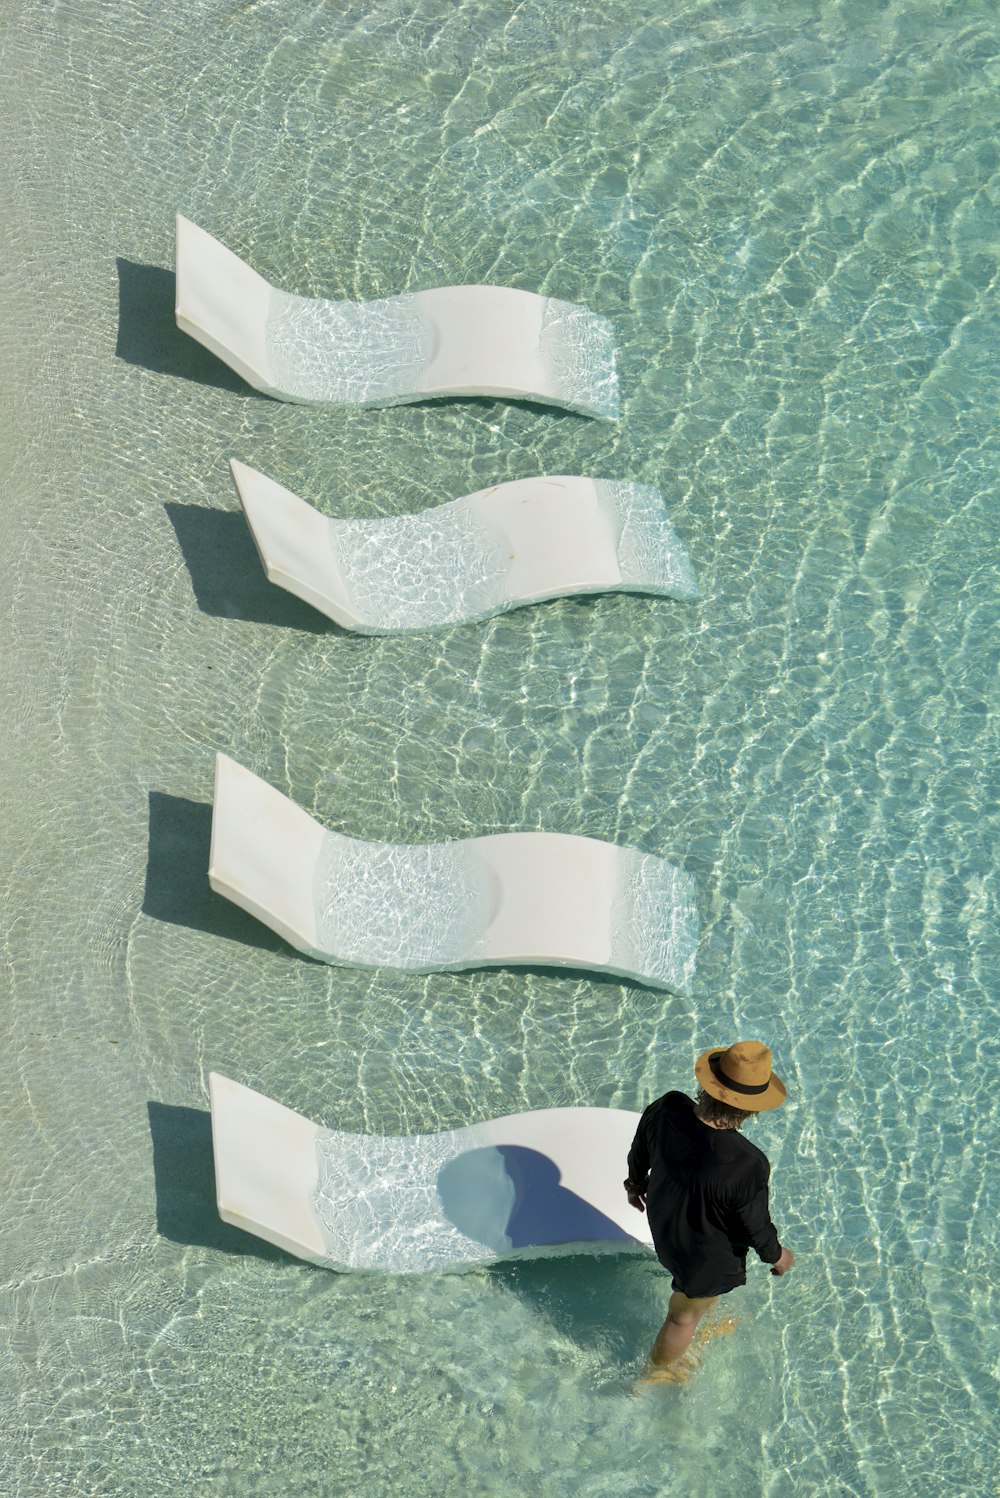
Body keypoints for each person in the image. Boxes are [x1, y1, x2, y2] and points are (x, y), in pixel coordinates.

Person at [625, 1040, 794, 1374]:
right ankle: (655, 1373)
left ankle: (694, 1322)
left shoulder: (668, 1107)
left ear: (709, 1083)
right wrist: (777, 1256)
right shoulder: (747, 1163)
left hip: (666, 1225)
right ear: (751, 1109)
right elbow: (753, 1224)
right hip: (704, 1259)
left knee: (694, 1302)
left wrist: (634, 1184)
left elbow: (639, 1148)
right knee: (681, 1316)